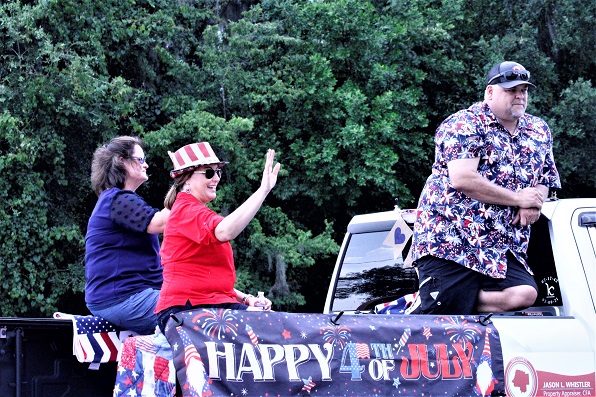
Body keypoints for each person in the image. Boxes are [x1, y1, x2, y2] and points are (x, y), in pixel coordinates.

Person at [410, 61, 561, 315]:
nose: (519, 95)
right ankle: (436, 300)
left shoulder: (539, 130)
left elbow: (546, 177)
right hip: (452, 238)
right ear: (489, 92)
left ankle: (438, 300)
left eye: (524, 90)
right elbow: (463, 179)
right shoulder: (464, 124)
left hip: (500, 244)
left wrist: (535, 203)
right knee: (445, 306)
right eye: (511, 90)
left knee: (525, 293)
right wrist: (518, 200)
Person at [155, 142, 280, 333]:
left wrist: (246, 299)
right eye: (208, 173)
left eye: (218, 172)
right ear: (186, 179)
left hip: (201, 306)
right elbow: (225, 231)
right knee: (272, 328)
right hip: (185, 311)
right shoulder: (185, 209)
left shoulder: (192, 210)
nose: (216, 178)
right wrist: (263, 190)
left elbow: (211, 284)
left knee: (272, 325)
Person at [85, 136, 170, 334]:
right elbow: (162, 222)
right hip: (121, 297)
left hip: (131, 294)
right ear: (121, 161)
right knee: (194, 312)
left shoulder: (121, 200)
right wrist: (187, 182)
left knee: (200, 297)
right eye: (140, 159)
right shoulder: (116, 200)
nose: (146, 165)